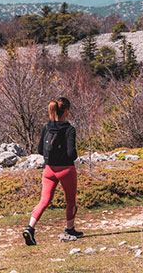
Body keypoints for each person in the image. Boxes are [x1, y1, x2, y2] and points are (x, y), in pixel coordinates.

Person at [23, 97, 82, 245]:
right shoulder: (69, 129)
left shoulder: (47, 127)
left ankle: (30, 228)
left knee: (44, 201)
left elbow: (40, 150)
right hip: (66, 170)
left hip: (49, 170)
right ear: (67, 111)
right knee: (70, 201)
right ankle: (69, 230)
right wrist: (72, 156)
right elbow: (71, 154)